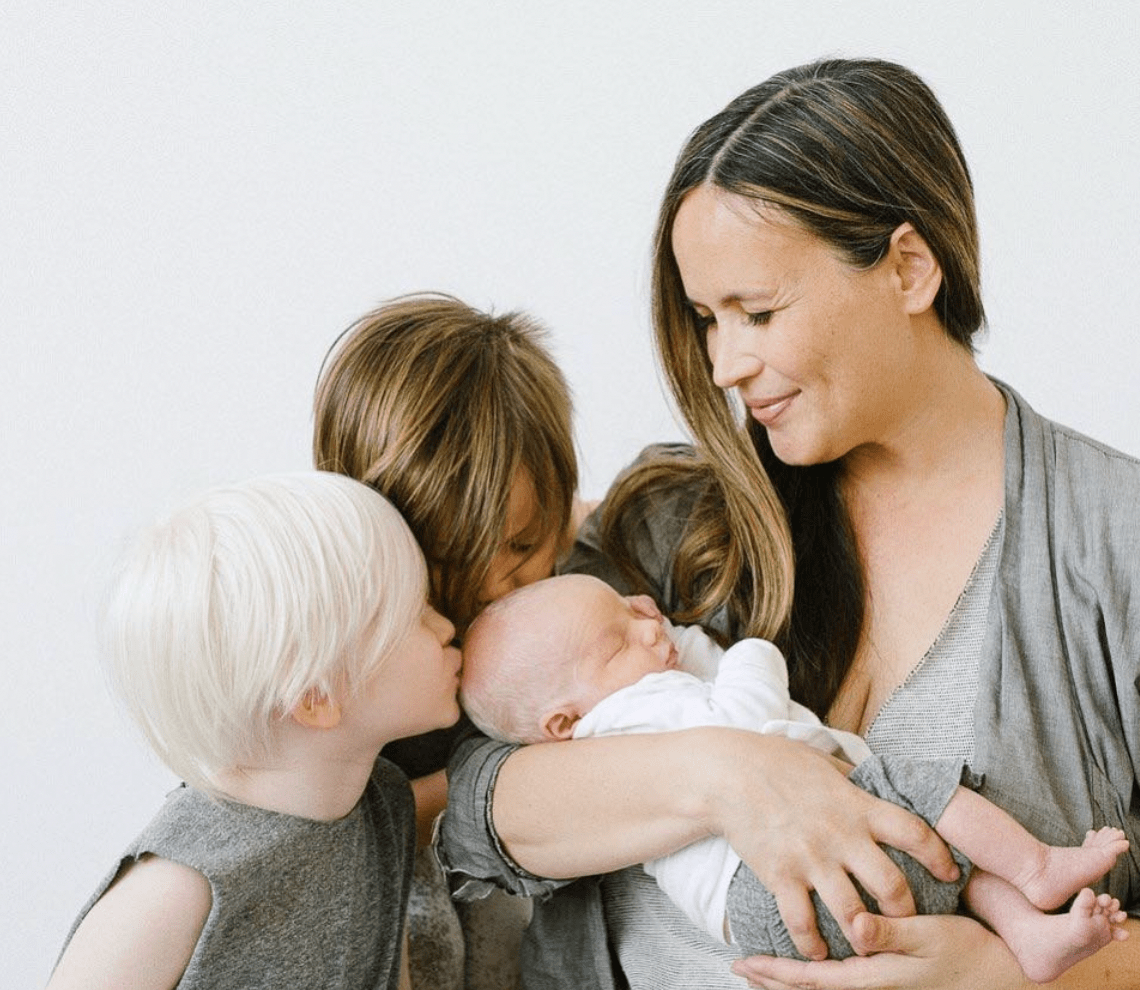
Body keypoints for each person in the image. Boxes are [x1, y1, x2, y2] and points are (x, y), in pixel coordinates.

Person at [437, 57, 1140, 990]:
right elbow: (478, 810)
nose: (725, 364)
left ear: (909, 267)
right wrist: (729, 775)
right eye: (706, 320)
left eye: (757, 313)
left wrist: (1012, 983)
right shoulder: (672, 525)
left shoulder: (1112, 545)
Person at [460, 573, 1129, 984]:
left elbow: (680, 653)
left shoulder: (608, 718)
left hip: (765, 920)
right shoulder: (635, 713)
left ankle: (1031, 941)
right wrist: (754, 653)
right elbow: (744, 720)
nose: (648, 624)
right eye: (617, 639)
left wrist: (640, 630)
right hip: (777, 885)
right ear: (561, 721)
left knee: (941, 854)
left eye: (636, 610)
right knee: (927, 794)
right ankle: (1037, 869)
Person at [47, 472, 462, 990]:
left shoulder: (383, 808)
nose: (446, 626)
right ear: (316, 696)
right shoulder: (184, 883)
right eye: (417, 613)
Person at [312, 292, 586, 990]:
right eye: (454, 558)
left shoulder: (581, 581)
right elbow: (328, 821)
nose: (497, 582)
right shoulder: (343, 645)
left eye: (524, 543)